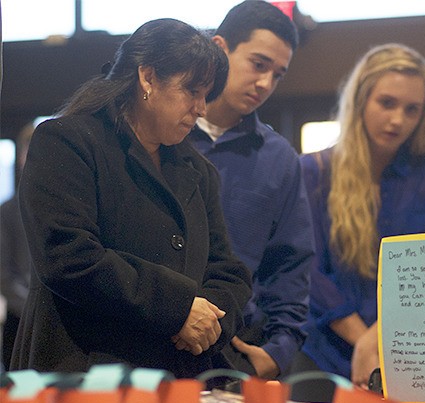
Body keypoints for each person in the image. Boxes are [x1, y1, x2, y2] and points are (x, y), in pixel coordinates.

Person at [11, 18, 252, 378]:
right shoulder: (65, 141)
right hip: (84, 372)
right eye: (192, 91)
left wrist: (206, 321)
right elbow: (68, 256)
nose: (202, 109)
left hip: (178, 374)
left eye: (206, 95)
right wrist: (178, 309)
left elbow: (227, 270)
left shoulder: (196, 169)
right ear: (148, 77)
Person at [292, 43, 425, 396]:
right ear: (361, 99)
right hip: (319, 351)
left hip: (405, 354)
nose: (397, 120)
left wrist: (375, 340)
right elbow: (308, 271)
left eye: (412, 109)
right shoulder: (313, 171)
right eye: (387, 103)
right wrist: (362, 339)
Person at [187, 0, 314, 379]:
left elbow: (292, 266)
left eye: (277, 75)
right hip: (148, 337)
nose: (265, 84)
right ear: (220, 49)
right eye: (258, 64)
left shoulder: (279, 158)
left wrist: (278, 351)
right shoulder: (164, 134)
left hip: (236, 351)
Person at [0, 122, 34, 369]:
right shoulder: (7, 211)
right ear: (21, 156)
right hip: (18, 318)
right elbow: (3, 274)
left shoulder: (69, 210)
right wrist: (28, 309)